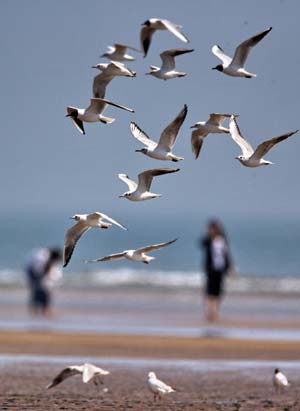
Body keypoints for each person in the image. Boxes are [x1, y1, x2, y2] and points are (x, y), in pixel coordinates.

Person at [200, 220, 234, 322]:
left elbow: (226, 254)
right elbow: (201, 244)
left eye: (214, 228)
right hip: (210, 269)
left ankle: (215, 311)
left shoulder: (223, 240)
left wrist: (230, 267)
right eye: (211, 229)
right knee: (210, 291)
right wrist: (208, 235)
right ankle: (209, 312)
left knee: (218, 292)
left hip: (221, 268)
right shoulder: (208, 240)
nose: (213, 230)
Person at [25, 247, 62, 317]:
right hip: (32, 270)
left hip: (40, 272)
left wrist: (50, 283)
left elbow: (55, 275)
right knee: (37, 290)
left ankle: (44, 309)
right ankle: (35, 309)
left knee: (45, 290)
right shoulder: (41, 257)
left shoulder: (53, 262)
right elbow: (37, 271)